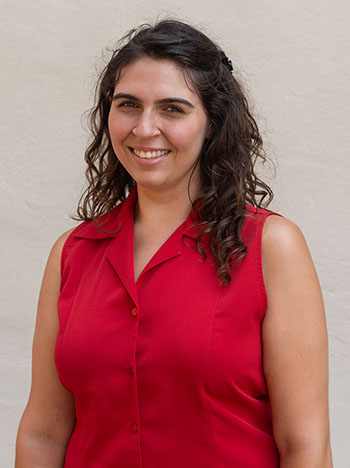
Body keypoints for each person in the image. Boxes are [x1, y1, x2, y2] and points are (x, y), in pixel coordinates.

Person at [15, 19, 333, 468]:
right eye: (128, 105)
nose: (145, 129)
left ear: (213, 124)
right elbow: (43, 432)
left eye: (173, 109)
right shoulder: (72, 254)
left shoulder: (270, 248)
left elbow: (306, 447)